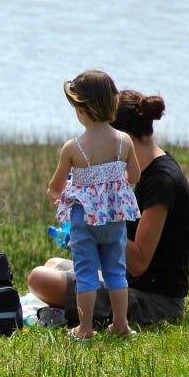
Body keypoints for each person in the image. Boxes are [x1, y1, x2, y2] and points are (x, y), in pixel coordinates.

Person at [29, 89, 189, 328]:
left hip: (155, 301)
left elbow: (139, 262)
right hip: (126, 282)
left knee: (38, 279)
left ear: (120, 138)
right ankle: (72, 311)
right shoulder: (137, 172)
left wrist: (95, 220)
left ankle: (78, 317)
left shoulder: (162, 181)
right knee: (52, 265)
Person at [47, 70, 141, 341]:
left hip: (84, 220)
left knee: (86, 272)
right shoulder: (124, 141)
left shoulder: (73, 147)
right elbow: (134, 176)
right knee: (116, 271)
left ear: (81, 110)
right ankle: (121, 323)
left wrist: (54, 193)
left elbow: (56, 185)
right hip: (114, 218)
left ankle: (85, 328)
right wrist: (116, 183)